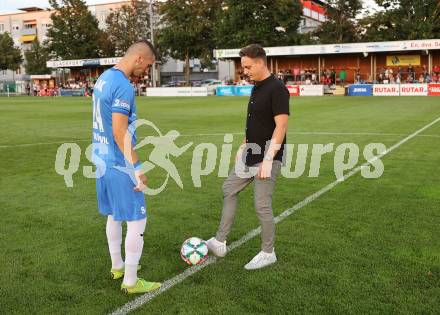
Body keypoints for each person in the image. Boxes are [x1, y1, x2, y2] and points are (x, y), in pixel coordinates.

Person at [207, 44, 289, 270]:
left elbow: (281, 126)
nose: (245, 71)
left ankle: (268, 252)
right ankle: (220, 241)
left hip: (267, 157)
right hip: (250, 153)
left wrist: (269, 159)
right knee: (228, 188)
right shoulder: (256, 87)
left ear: (261, 62)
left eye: (248, 66)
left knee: (261, 205)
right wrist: (243, 145)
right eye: (243, 67)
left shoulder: (277, 88)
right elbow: (256, 122)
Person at [92, 40, 160, 294]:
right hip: (118, 161)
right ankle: (130, 281)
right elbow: (120, 131)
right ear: (140, 58)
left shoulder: (104, 78)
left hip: (100, 157)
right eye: (148, 66)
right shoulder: (123, 86)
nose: (146, 71)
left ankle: (118, 265)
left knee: (114, 214)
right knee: (137, 219)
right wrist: (138, 167)